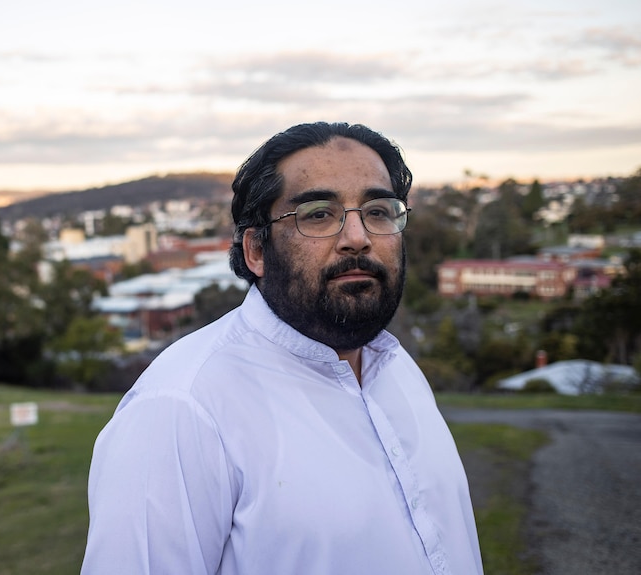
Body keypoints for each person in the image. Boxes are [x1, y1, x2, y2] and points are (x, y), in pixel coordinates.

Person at [81, 122, 483, 575]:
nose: (358, 236)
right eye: (317, 214)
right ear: (256, 250)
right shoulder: (182, 408)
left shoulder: (396, 367)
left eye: (378, 211)